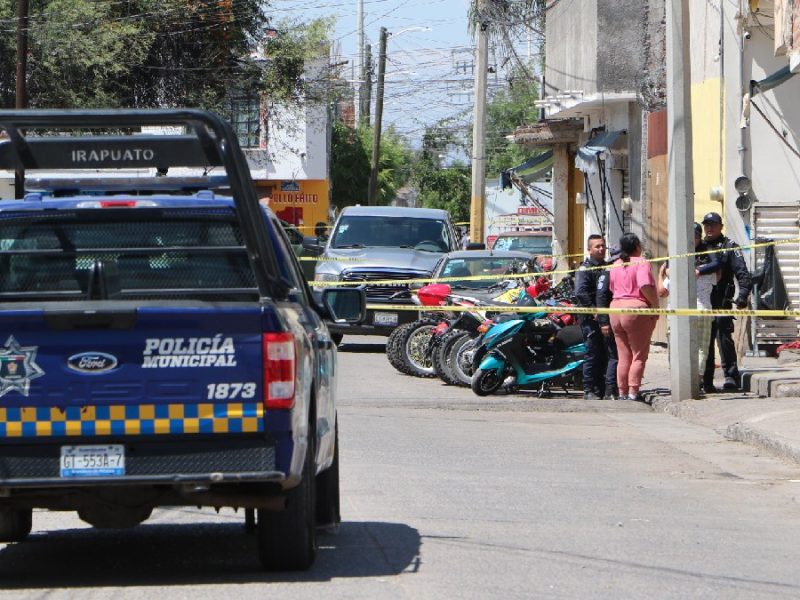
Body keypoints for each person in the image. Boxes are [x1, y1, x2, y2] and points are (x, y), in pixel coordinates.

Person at [656, 223, 721, 390]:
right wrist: (703, 271)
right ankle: (696, 382)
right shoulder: (707, 271)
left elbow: (662, 292)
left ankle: (678, 381)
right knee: (701, 348)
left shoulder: (676, 270)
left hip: (677, 312)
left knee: (676, 346)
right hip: (702, 310)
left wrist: (661, 273)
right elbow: (718, 275)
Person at [701, 212, 752, 391]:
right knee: (704, 342)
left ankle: (731, 376)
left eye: (713, 224)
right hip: (701, 303)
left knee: (724, 340)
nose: (709, 228)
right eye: (706, 225)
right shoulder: (698, 247)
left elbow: (743, 274)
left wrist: (742, 295)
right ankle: (706, 380)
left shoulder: (729, 247)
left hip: (721, 301)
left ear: (721, 227)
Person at [608, 233, 659, 401]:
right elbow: (645, 286)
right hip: (636, 310)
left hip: (615, 309)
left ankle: (622, 391)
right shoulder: (641, 262)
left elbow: (611, 288)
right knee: (639, 354)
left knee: (623, 355)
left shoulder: (616, 264)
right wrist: (655, 305)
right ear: (637, 246)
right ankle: (633, 391)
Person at [575, 235, 619, 400]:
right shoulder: (585, 269)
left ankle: (604, 388)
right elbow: (580, 293)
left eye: (602, 246)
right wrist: (595, 311)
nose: (601, 249)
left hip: (606, 317)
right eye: (597, 246)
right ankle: (589, 389)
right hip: (590, 319)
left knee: (606, 353)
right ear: (589, 250)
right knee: (592, 353)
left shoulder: (607, 266)